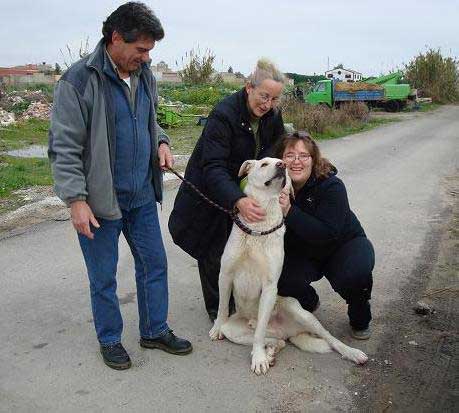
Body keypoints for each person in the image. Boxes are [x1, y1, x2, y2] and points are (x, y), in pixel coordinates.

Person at [48, 2, 192, 370]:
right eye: (140, 49)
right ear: (115, 38)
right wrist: (75, 200)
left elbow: (150, 120)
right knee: (104, 276)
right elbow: (63, 147)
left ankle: (154, 329)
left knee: (154, 264)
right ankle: (110, 339)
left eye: (149, 51)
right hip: (99, 202)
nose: (145, 58)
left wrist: (161, 141)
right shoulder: (78, 81)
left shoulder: (145, 77)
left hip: (142, 194)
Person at [168, 59, 286, 321]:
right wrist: (237, 199)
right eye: (264, 96)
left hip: (244, 185)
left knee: (241, 246)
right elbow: (213, 166)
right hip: (209, 188)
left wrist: (276, 188)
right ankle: (218, 312)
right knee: (213, 246)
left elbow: (273, 152)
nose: (267, 105)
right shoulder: (224, 114)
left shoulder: (273, 117)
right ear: (248, 88)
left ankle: (244, 301)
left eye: (274, 99)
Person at [276, 131, 375, 340]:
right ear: (281, 161)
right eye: (289, 155)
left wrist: (290, 212)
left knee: (355, 273)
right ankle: (309, 301)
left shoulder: (331, 185)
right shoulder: (275, 189)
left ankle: (359, 312)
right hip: (304, 251)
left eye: (303, 156)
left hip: (341, 245)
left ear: (313, 160)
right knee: (277, 276)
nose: (296, 161)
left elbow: (328, 233)